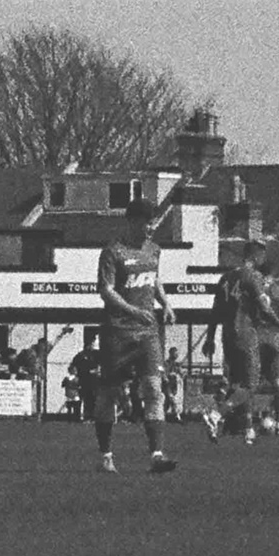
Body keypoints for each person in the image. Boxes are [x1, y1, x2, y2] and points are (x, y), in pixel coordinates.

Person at [89, 195, 178, 473]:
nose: (151, 228)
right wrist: (133, 311)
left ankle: (157, 455)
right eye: (147, 223)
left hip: (147, 332)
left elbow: (155, 278)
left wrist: (166, 303)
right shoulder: (113, 252)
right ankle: (106, 456)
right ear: (132, 221)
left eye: (153, 223)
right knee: (109, 394)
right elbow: (106, 291)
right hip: (118, 332)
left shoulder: (154, 250)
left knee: (153, 389)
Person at [219, 240, 279, 439]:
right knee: (268, 383)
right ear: (257, 257)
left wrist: (210, 336)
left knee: (238, 381)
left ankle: (246, 427)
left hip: (233, 334)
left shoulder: (228, 277)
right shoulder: (273, 286)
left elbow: (216, 309)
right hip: (261, 336)